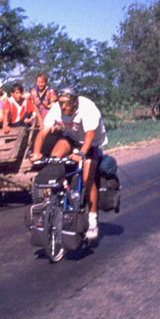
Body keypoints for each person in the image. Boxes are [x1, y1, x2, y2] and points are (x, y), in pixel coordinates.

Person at [30, 86, 107, 240]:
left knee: (87, 179)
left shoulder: (88, 108)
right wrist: (37, 152)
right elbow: (43, 132)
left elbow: (90, 135)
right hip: (71, 138)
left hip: (90, 143)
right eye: (61, 103)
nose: (63, 107)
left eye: (66, 103)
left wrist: (82, 154)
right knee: (54, 157)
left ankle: (92, 221)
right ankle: (59, 193)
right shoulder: (57, 109)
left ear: (75, 102)